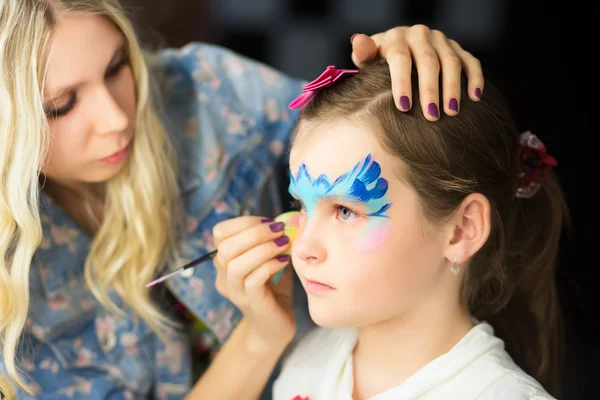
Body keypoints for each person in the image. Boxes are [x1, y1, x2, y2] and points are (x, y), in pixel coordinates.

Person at [0, 0, 485, 399]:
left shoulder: (206, 92)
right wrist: (258, 337)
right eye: (60, 105)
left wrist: (400, 70)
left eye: (117, 68)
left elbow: (375, 149)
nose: (116, 119)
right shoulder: (15, 280)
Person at [256, 63, 566, 399]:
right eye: (301, 205)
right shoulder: (304, 365)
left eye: (345, 211)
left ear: (462, 230)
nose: (303, 247)